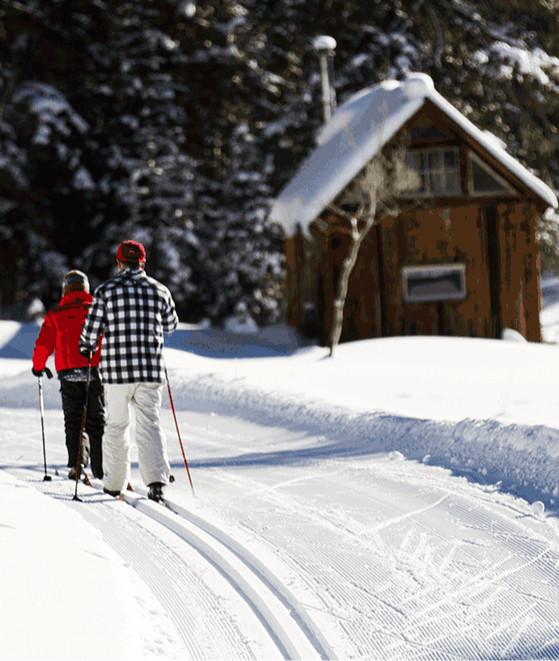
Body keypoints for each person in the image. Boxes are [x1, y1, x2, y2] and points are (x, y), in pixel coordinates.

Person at [79, 240, 179, 502]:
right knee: (150, 424)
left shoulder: (105, 291)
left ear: (119, 262)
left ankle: (114, 484)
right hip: (150, 370)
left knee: (116, 425)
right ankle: (156, 481)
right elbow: (171, 324)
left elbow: (90, 332)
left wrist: (86, 345)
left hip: (116, 373)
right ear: (143, 263)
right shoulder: (160, 290)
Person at [32, 270, 105, 480]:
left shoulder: (56, 313)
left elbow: (43, 343)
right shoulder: (98, 310)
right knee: (96, 418)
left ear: (65, 290)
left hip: (69, 372)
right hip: (96, 370)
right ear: (86, 289)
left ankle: (77, 464)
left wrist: (38, 366)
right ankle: (101, 469)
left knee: (74, 419)